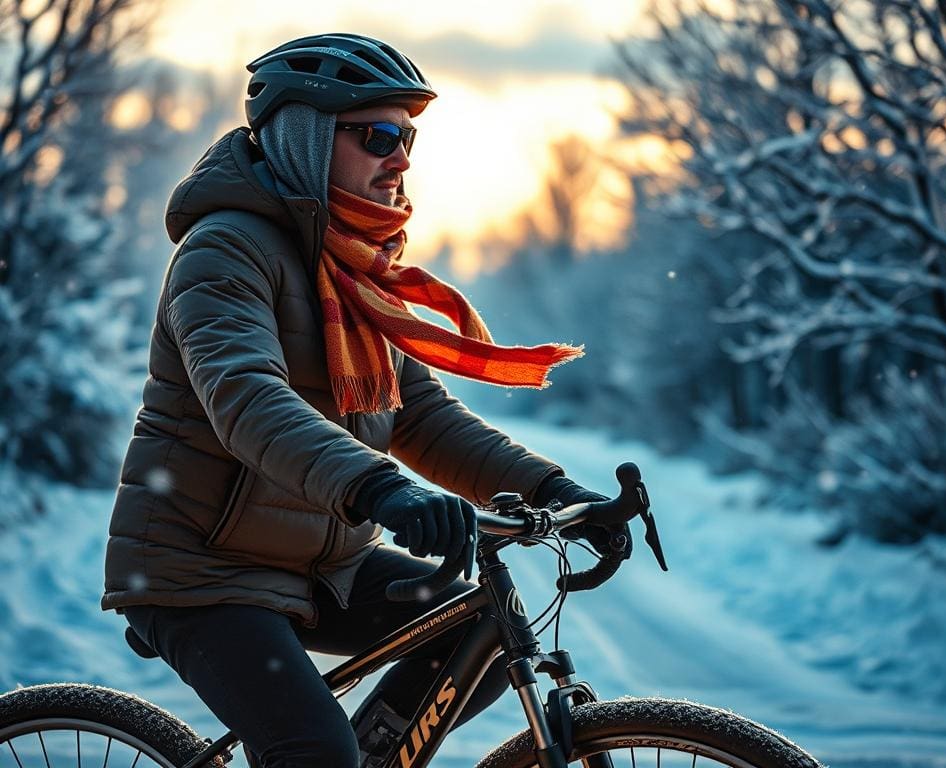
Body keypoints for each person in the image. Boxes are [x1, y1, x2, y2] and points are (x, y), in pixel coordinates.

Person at [101, 33, 632, 768]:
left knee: (475, 630)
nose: (403, 158)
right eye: (380, 135)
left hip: (324, 566)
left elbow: (419, 415)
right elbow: (247, 400)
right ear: (309, 138)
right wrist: (379, 488)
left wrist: (555, 488)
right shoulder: (224, 251)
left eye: (408, 137)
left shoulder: (353, 266)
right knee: (314, 751)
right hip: (202, 569)